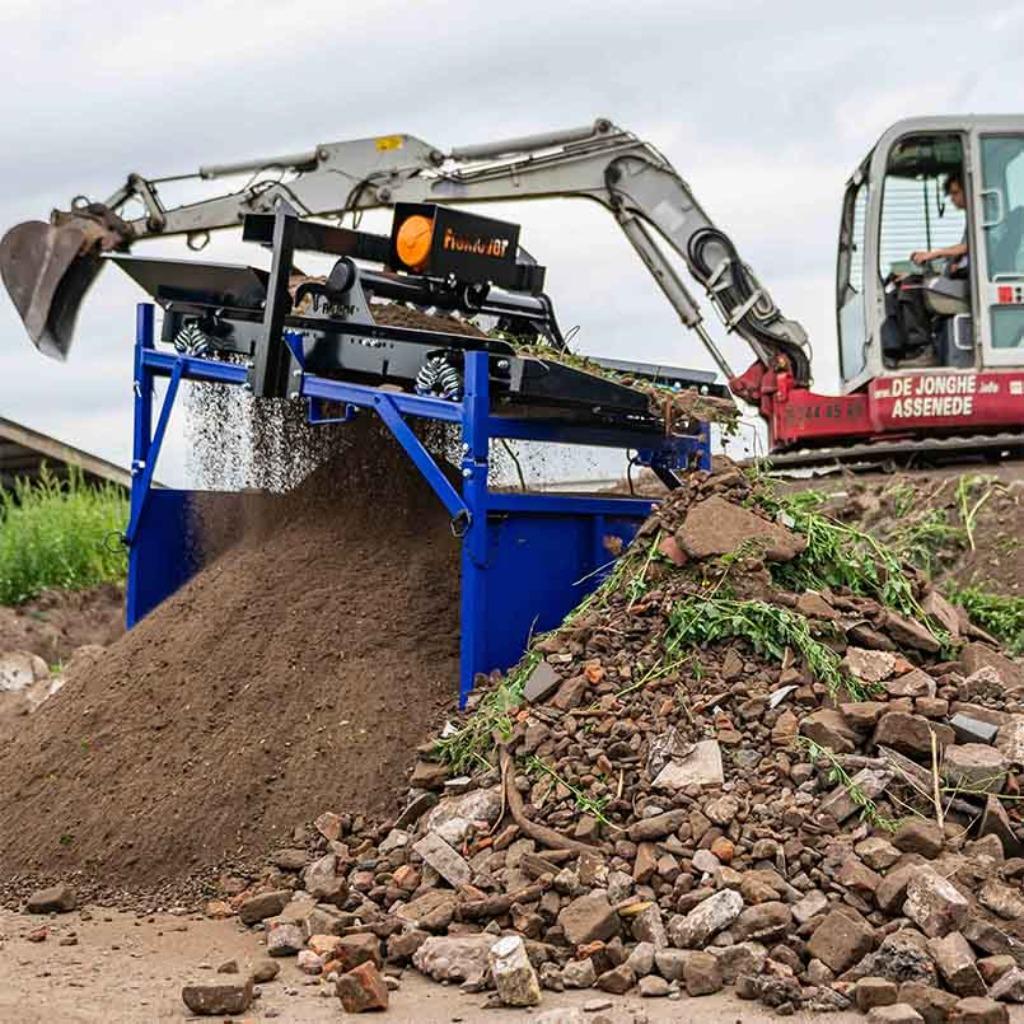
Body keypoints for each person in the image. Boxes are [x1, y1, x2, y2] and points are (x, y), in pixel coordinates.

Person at [910, 172, 967, 270]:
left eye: (955, 193)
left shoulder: (982, 215)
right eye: (950, 194)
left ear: (967, 190)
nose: (952, 199)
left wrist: (933, 254)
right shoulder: (971, 216)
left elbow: (967, 247)